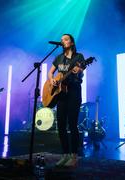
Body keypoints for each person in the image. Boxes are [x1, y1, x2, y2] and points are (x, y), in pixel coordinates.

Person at [48, 34, 84, 167]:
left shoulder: (79, 57)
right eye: (62, 39)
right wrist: (51, 79)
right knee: (61, 125)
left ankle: (74, 156)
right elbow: (50, 72)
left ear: (72, 42)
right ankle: (65, 154)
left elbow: (82, 72)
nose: (63, 41)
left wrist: (78, 70)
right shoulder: (59, 58)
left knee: (72, 124)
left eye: (66, 39)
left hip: (74, 92)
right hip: (61, 95)